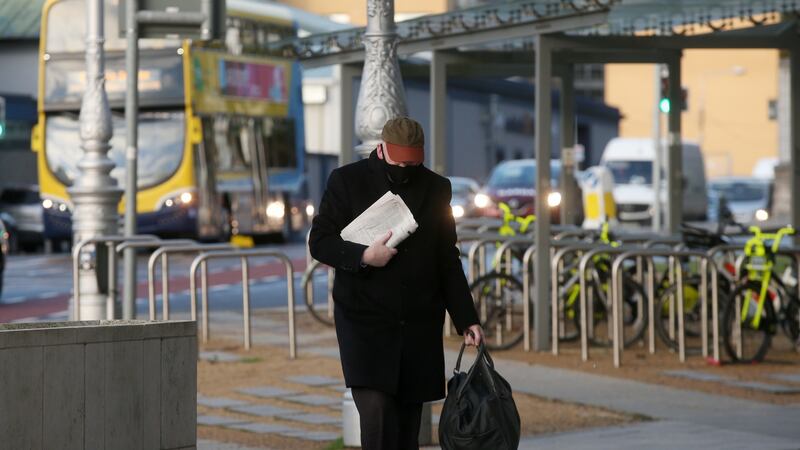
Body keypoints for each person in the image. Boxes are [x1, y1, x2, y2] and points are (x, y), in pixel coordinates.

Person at [309, 117, 484, 450]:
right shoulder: (347, 181)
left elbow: (446, 259)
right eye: (399, 161)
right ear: (381, 149)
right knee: (376, 418)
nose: (406, 168)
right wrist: (364, 256)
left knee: (407, 428)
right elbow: (320, 242)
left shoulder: (436, 188)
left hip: (417, 323)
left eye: (413, 162)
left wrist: (467, 318)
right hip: (365, 321)